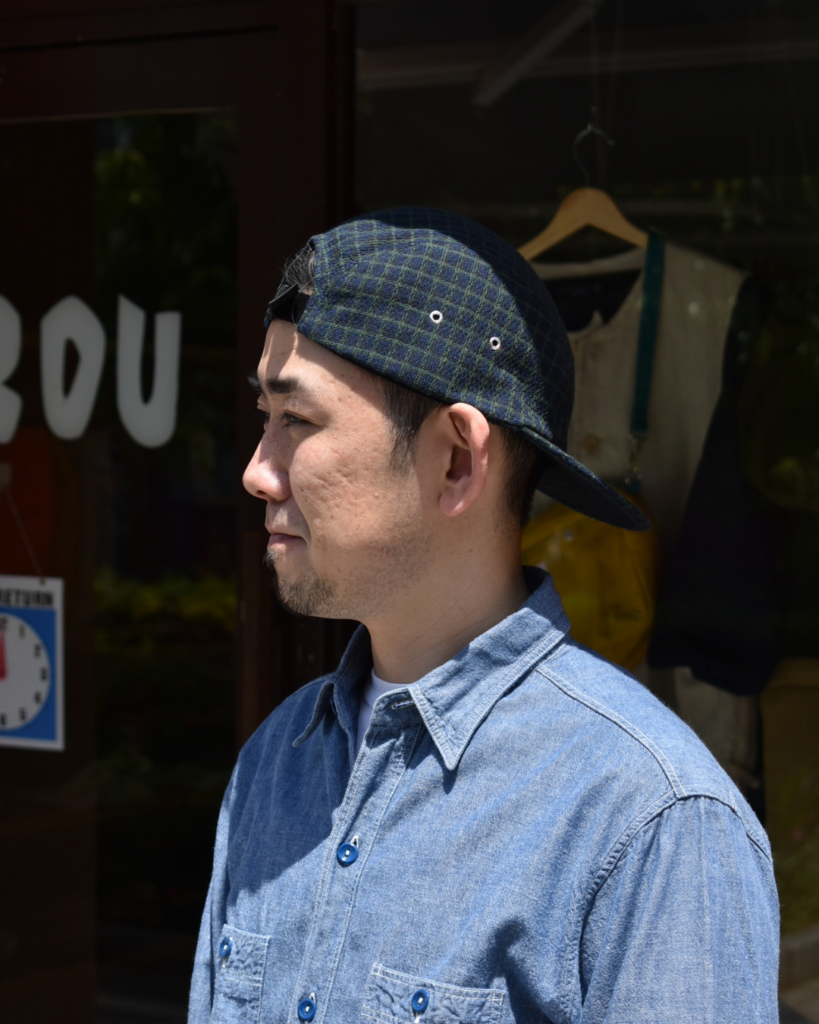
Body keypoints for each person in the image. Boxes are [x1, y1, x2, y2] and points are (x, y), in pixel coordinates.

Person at [188, 208, 778, 1024]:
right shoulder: (274, 762)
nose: (258, 471)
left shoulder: (651, 820)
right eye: (265, 419)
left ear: (457, 460)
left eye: (298, 420)